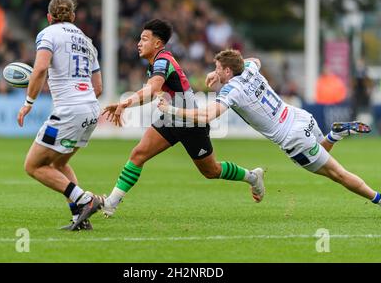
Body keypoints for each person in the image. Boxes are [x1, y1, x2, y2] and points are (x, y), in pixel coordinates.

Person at [158, 49, 381, 218]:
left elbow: (207, 116)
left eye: (219, 68)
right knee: (323, 156)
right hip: (301, 117)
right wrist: (216, 73)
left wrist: (171, 109)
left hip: (291, 137)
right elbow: (254, 60)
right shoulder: (249, 69)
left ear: (229, 71)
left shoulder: (232, 90)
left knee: (338, 174)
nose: (216, 72)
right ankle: (334, 135)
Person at [101, 19, 265, 217]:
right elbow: (152, 93)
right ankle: (111, 203)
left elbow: (151, 90)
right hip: (170, 119)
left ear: (157, 44)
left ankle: (252, 177)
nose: (139, 43)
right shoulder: (155, 63)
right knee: (138, 154)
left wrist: (125, 103)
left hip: (190, 122)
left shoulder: (163, 61)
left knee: (211, 171)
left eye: (144, 39)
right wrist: (126, 104)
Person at [17, 0, 104, 231]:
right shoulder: (87, 41)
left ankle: (85, 199)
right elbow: (98, 88)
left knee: (33, 166)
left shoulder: (47, 34)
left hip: (69, 110)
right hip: (91, 110)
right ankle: (80, 216)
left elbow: (41, 68)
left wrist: (28, 102)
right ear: (73, 17)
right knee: (59, 162)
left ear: (49, 17)